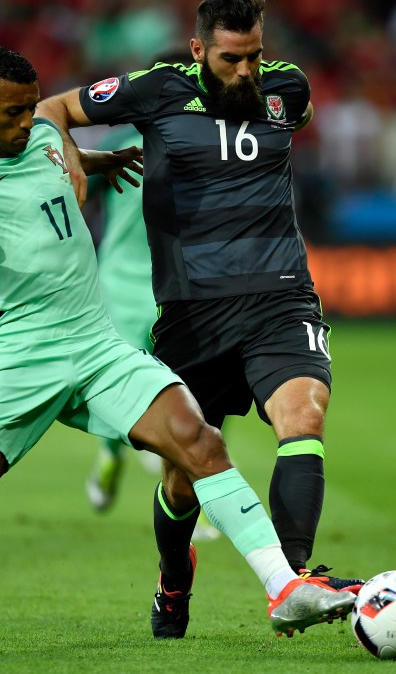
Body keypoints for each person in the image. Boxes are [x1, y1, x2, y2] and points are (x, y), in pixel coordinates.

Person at [0, 45, 355, 650]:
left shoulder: (43, 136)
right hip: (21, 359)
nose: (28, 121)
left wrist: (101, 160)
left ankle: (282, 588)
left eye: (32, 107)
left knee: (199, 440)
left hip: (95, 343)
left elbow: (56, 150)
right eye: (12, 113)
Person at [36, 0, 362, 640]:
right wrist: (70, 153)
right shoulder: (156, 88)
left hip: (280, 295)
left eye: (254, 56)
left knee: (303, 413)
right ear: (197, 50)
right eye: (230, 59)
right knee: (186, 477)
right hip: (192, 314)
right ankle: (171, 579)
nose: (246, 71)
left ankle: (292, 580)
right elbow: (51, 109)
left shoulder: (286, 87)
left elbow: (297, 111)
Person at [83, 121, 222, 542]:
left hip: (145, 284)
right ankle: (118, 456)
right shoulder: (201, 143)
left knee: (176, 392)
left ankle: (185, 495)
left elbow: (84, 192)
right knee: (158, 392)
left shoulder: (119, 145)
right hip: (154, 283)